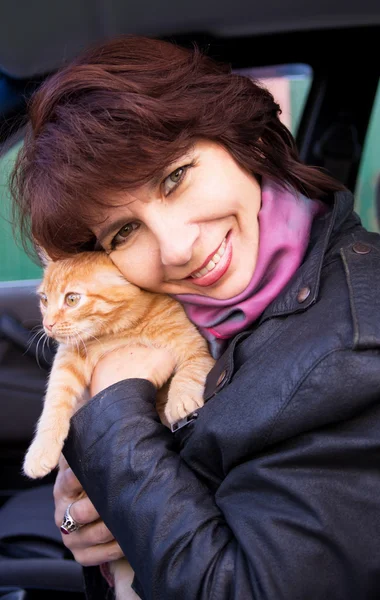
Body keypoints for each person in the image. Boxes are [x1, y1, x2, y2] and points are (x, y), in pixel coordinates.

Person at [11, 36, 380, 599]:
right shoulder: (204, 312)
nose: (178, 248)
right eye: (124, 231)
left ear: (245, 139)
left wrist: (116, 413)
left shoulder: (352, 346)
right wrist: (89, 516)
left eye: (175, 177)